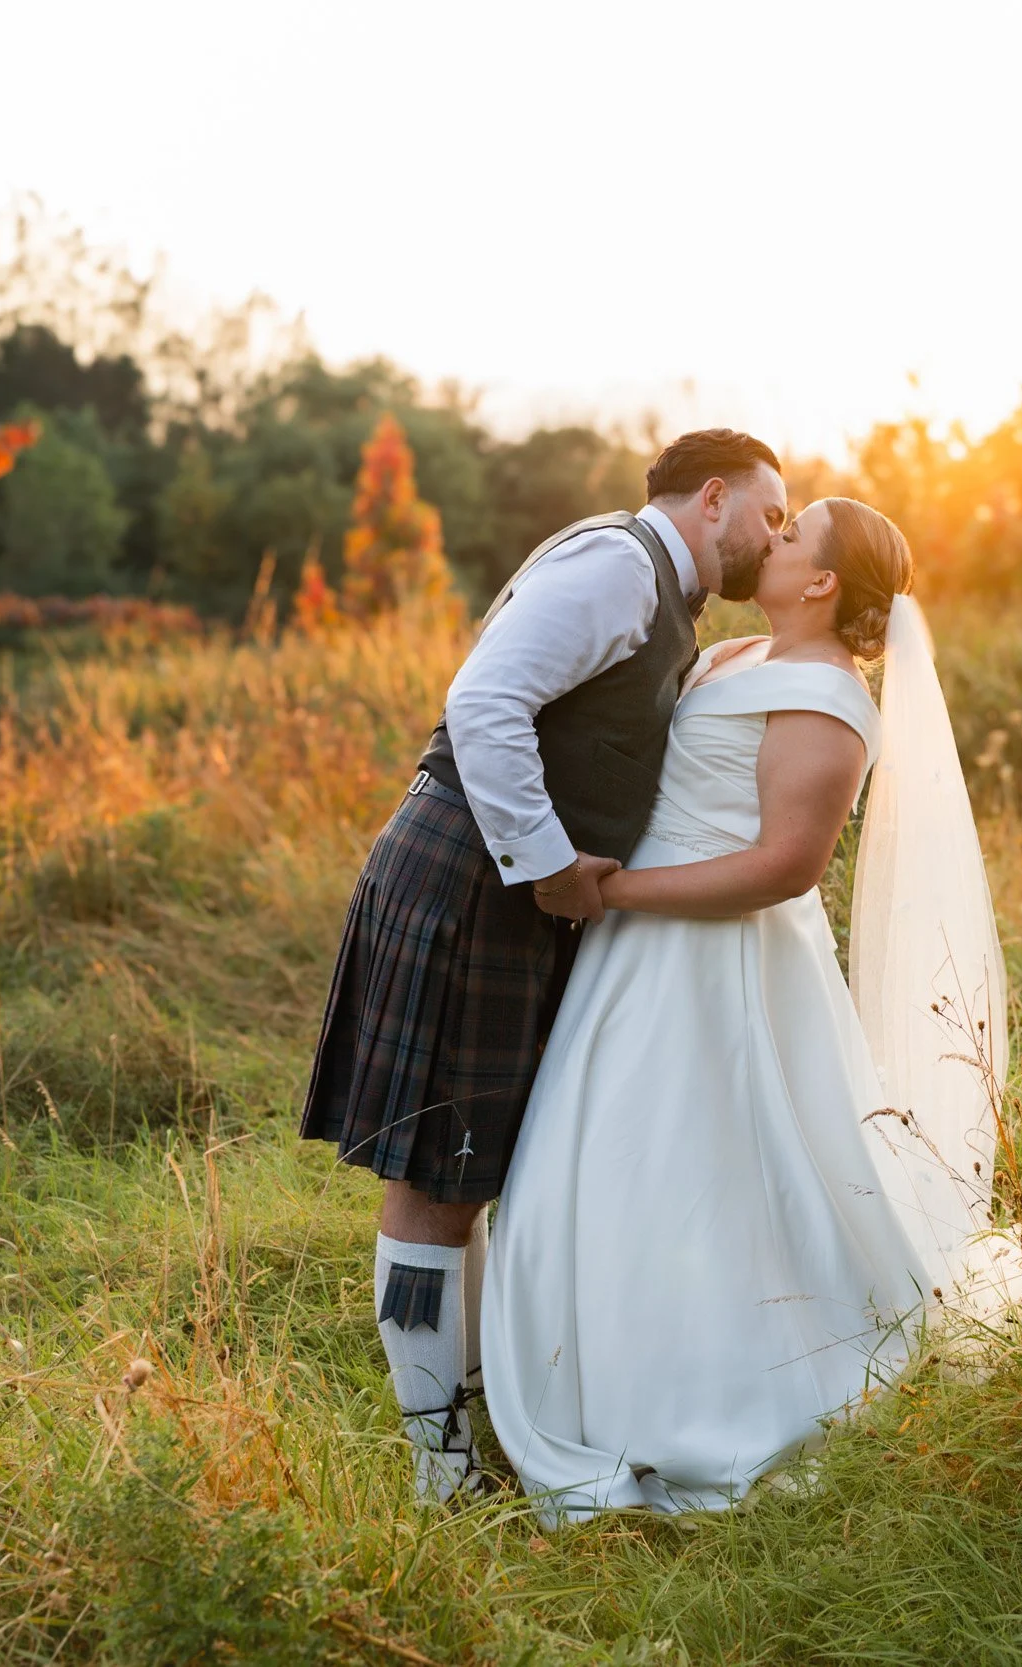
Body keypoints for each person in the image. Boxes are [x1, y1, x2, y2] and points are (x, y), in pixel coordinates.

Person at [297, 430, 789, 1501]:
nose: (775, 536)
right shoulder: (617, 564)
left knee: (465, 1176)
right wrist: (549, 863)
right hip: (474, 871)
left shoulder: (657, 588)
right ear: (715, 497)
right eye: (771, 513)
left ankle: (476, 1430)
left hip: (498, 883)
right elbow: (482, 702)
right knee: (433, 1185)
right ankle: (440, 1467)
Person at [481, 496, 938, 1522]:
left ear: (820, 580)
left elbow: (784, 866)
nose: (765, 541)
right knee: (604, 1157)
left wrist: (611, 891)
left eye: (789, 538)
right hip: (634, 951)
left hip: (710, 959)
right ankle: (589, 1362)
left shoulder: (827, 699)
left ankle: (702, 1389)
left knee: (688, 1169)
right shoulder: (738, 655)